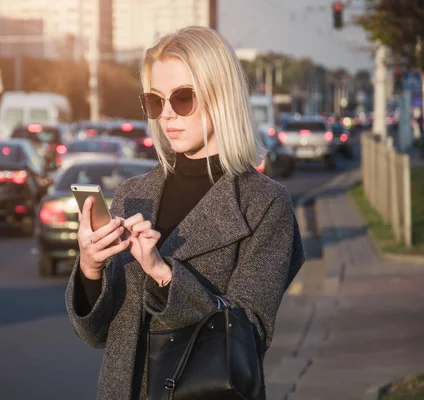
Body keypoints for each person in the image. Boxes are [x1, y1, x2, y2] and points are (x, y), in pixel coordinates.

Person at [65, 26, 305, 400]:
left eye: (182, 98)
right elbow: (95, 334)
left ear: (221, 95)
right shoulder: (133, 195)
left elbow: (250, 331)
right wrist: (89, 269)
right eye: (155, 101)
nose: (167, 115)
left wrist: (163, 275)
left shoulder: (264, 203)